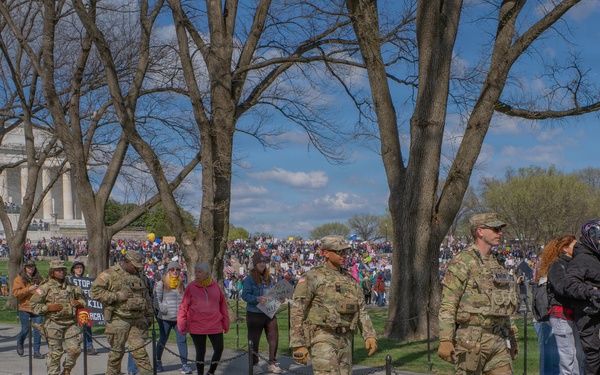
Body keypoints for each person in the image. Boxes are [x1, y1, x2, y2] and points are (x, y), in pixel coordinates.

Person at [438, 213, 518, 374]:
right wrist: (445, 339)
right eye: (495, 229)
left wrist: (512, 333)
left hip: (498, 338)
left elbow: (503, 303)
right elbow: (448, 305)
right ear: (480, 231)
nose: (500, 233)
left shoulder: (497, 263)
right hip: (470, 339)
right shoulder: (463, 262)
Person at [290, 235, 378, 374]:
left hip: (346, 340)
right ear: (325, 253)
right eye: (339, 251)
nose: (344, 255)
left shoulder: (350, 280)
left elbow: (361, 310)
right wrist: (297, 344)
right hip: (323, 337)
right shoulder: (313, 277)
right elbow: (297, 310)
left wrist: (369, 335)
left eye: (346, 252)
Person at [90, 250, 154, 375]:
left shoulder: (139, 276)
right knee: (117, 353)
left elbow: (146, 297)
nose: (137, 269)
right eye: (134, 266)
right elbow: (94, 292)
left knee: (140, 352)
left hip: (137, 319)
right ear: (126, 262)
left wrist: (149, 315)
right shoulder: (109, 274)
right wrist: (116, 296)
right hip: (118, 319)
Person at [537, 235, 584, 374]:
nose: (578, 248)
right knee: (567, 358)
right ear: (565, 248)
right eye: (575, 245)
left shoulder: (576, 264)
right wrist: (580, 289)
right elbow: (561, 287)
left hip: (575, 314)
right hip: (561, 315)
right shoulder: (557, 265)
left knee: (578, 355)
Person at [30, 260, 86, 375]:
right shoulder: (45, 287)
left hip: (70, 323)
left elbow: (84, 301)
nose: (61, 272)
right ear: (52, 272)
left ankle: (67, 370)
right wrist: (48, 308)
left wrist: (79, 303)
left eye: (63, 270)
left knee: (75, 349)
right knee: (56, 353)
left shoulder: (72, 286)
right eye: (58, 270)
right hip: (53, 323)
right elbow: (33, 305)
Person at [178, 262, 230, 375]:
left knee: (219, 349)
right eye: (196, 271)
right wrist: (181, 323)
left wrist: (226, 322)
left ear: (207, 273)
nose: (197, 274)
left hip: (215, 324)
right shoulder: (190, 287)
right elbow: (183, 307)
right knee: (200, 352)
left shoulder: (216, 286)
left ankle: (211, 372)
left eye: (200, 272)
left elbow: (223, 306)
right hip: (197, 326)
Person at [565, 220, 600, 374]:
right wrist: (592, 291)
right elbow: (570, 285)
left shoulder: (594, 258)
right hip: (588, 315)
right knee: (594, 356)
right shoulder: (582, 259)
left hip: (595, 313)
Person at [242, 252, 284, 374]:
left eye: (263, 262)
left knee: (274, 337)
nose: (262, 264)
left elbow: (273, 293)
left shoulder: (269, 278)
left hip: (269, 311)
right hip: (254, 312)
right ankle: (254, 365)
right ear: (255, 264)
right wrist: (257, 299)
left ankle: (272, 363)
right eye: (259, 262)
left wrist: (279, 298)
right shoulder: (249, 279)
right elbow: (245, 295)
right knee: (254, 340)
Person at [154, 261, 192, 374]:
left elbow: (185, 300)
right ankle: (158, 361)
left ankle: (184, 365)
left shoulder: (182, 284)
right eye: (172, 269)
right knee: (163, 339)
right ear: (168, 271)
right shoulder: (161, 283)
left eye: (177, 269)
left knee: (182, 340)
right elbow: (156, 301)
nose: (175, 271)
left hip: (179, 318)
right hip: (165, 318)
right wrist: (163, 309)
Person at [12, 259, 45, 359]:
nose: (31, 268)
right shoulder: (19, 279)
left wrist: (40, 291)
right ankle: (20, 342)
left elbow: (44, 291)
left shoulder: (39, 279)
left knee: (38, 330)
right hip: (25, 307)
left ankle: (36, 351)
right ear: (25, 268)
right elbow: (16, 293)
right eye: (29, 267)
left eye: (32, 266)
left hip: (37, 308)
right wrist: (29, 289)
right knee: (25, 329)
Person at [68, 260, 98, 355]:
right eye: (77, 268)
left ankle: (89, 346)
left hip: (82, 307)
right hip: (72, 307)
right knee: (72, 328)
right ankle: (74, 346)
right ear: (73, 270)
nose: (79, 270)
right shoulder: (69, 280)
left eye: (81, 268)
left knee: (86, 326)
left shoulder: (87, 280)